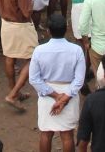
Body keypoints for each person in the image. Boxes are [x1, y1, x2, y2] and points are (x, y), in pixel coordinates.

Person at [29, 13, 86, 152]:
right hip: (69, 93)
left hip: (47, 95)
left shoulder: (39, 50)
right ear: (66, 29)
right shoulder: (76, 50)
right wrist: (65, 98)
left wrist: (55, 96)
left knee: (46, 133)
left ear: (48, 31)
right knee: (67, 134)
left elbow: (34, 79)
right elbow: (79, 80)